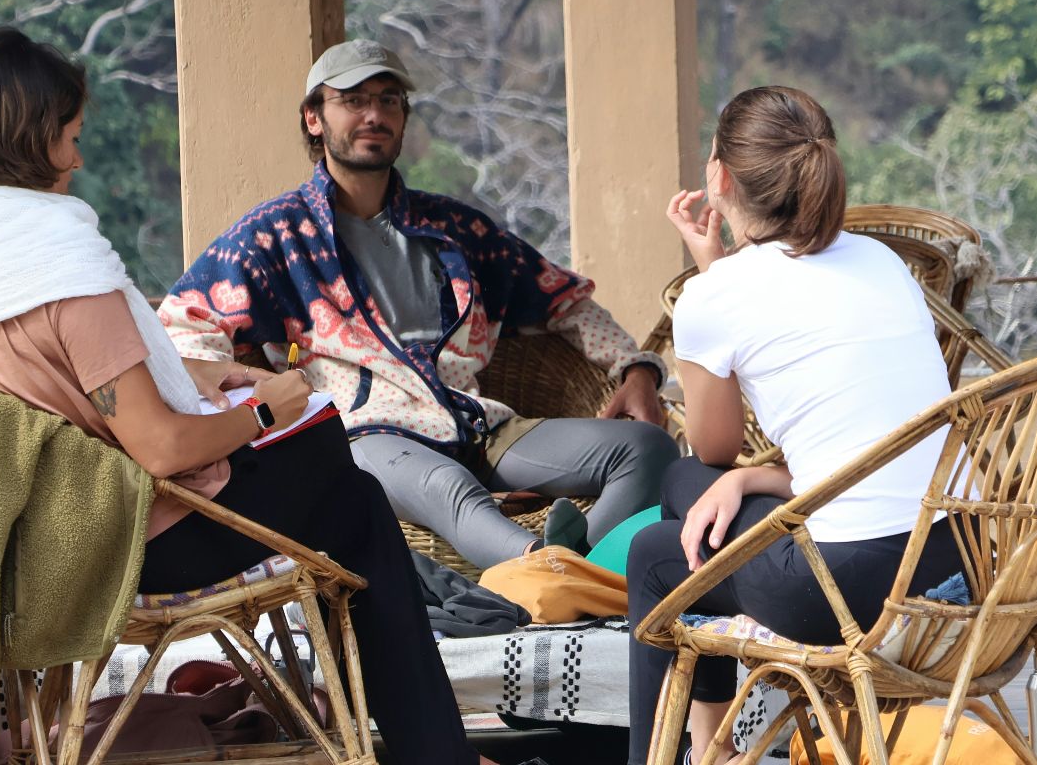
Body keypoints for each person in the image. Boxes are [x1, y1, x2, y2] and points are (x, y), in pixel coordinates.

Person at [0, 28, 475, 763]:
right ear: (31, 137)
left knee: (333, 478)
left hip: (10, 554)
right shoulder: (61, 270)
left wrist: (197, 378)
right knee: (353, 493)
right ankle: (428, 752)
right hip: (116, 552)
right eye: (70, 137)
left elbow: (47, 385)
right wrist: (263, 410)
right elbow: (163, 447)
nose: (78, 160)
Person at [158, 39, 678, 568]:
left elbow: (565, 300)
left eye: (388, 100)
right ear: (314, 118)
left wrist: (636, 369)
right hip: (364, 434)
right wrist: (262, 395)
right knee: (450, 486)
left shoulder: (455, 230)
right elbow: (182, 325)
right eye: (354, 100)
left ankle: (573, 569)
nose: (374, 114)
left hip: (474, 422)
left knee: (644, 449)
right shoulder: (276, 237)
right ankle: (558, 569)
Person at [625, 86, 965, 765]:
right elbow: (874, 444)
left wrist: (709, 279)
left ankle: (687, 754)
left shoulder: (713, 298)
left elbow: (716, 450)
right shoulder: (884, 262)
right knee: (700, 499)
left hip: (849, 591)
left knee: (661, 543)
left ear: (719, 176)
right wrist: (754, 479)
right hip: (964, 560)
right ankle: (708, 752)